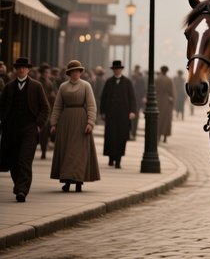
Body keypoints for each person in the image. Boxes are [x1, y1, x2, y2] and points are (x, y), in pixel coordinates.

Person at [0, 57, 51, 202]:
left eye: (24, 67)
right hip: (11, 130)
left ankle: (22, 190)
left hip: (30, 129)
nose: (22, 70)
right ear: (16, 70)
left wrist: (38, 125)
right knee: (13, 161)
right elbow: (2, 107)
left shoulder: (36, 86)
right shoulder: (9, 87)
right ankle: (18, 184)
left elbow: (45, 107)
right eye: (19, 67)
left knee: (24, 160)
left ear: (28, 70)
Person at [49, 60, 101, 192]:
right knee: (66, 151)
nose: (76, 73)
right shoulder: (63, 87)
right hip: (66, 122)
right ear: (69, 73)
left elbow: (91, 105)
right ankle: (67, 181)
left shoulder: (86, 86)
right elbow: (57, 106)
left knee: (78, 152)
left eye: (78, 71)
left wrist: (90, 122)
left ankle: (78, 181)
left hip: (81, 121)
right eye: (73, 71)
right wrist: (53, 123)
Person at [100, 60, 137, 168]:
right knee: (110, 136)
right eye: (115, 69)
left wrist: (132, 111)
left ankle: (119, 160)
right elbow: (103, 98)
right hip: (110, 114)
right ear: (113, 70)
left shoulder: (127, 82)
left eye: (118, 69)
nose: (117, 71)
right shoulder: (108, 82)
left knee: (121, 137)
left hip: (123, 115)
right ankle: (111, 158)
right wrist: (102, 112)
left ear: (121, 70)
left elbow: (132, 98)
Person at [37, 63, 57, 160]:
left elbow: (54, 94)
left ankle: (44, 150)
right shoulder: (38, 83)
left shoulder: (50, 83)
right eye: (45, 72)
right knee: (42, 132)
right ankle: (43, 149)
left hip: (49, 109)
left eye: (47, 72)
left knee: (46, 132)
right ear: (42, 73)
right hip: (40, 110)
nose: (46, 74)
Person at [156, 65, 174, 142]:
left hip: (158, 101)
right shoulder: (169, 80)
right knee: (166, 120)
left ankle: (158, 136)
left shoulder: (157, 79)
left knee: (158, 119)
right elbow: (172, 92)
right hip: (167, 102)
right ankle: (165, 137)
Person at [130, 64, 147, 138]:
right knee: (134, 116)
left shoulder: (135, 78)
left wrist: (143, 97)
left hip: (136, 100)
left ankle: (133, 132)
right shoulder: (133, 78)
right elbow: (143, 89)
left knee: (135, 116)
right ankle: (132, 132)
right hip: (135, 99)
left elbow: (143, 89)